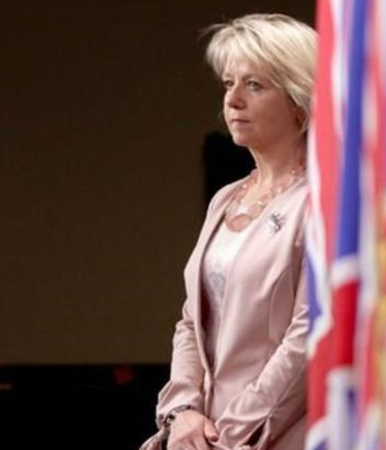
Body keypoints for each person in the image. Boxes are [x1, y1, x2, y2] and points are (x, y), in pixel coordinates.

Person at [140, 13, 316, 450]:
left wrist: (229, 435)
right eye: (228, 84)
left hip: (276, 435)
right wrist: (183, 413)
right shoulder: (225, 198)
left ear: (299, 100)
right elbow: (191, 320)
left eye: (254, 85)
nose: (233, 100)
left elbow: (307, 337)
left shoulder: (322, 202)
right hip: (203, 435)